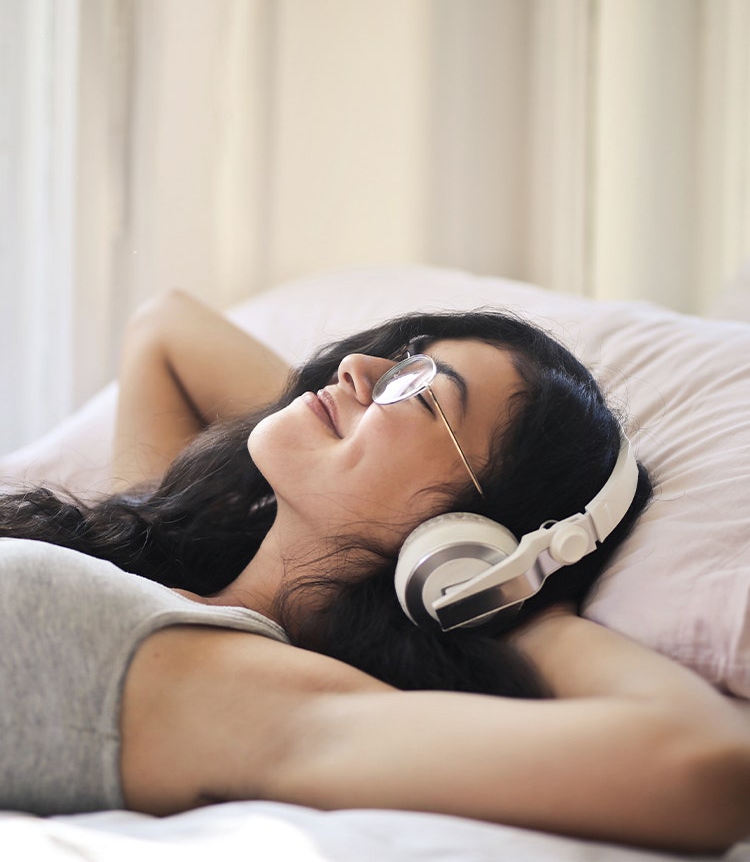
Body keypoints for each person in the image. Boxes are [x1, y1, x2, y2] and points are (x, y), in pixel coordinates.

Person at [0, 290, 748, 852]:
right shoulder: (161, 545)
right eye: (402, 354)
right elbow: (165, 327)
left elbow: (708, 763)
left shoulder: (258, 700)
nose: (356, 369)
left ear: (468, 540)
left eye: (421, 392)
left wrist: (509, 594)